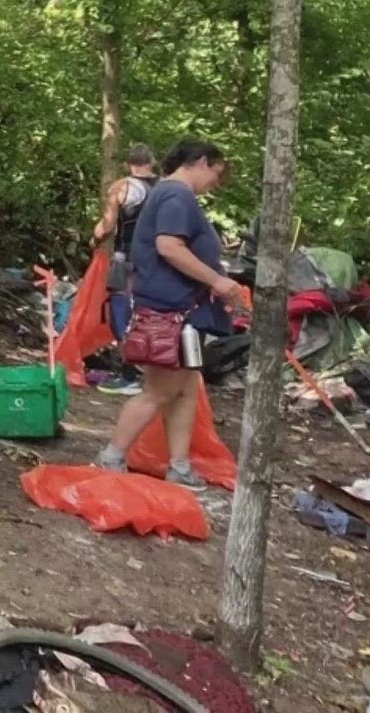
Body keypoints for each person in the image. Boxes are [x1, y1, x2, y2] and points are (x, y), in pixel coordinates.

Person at [95, 139, 249, 489]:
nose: (215, 182)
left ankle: (179, 465)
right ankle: (112, 456)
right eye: (216, 172)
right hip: (170, 311)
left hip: (187, 310)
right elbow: (169, 246)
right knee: (160, 390)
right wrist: (217, 281)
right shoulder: (176, 196)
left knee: (186, 388)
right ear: (200, 162)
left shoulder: (174, 196)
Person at [90, 144, 160, 340]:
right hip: (160, 260)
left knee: (121, 312)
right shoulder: (167, 187)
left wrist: (95, 240)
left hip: (127, 258)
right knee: (153, 311)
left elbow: (107, 226)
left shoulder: (122, 187)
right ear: (152, 162)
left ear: (128, 164)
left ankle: (128, 363)